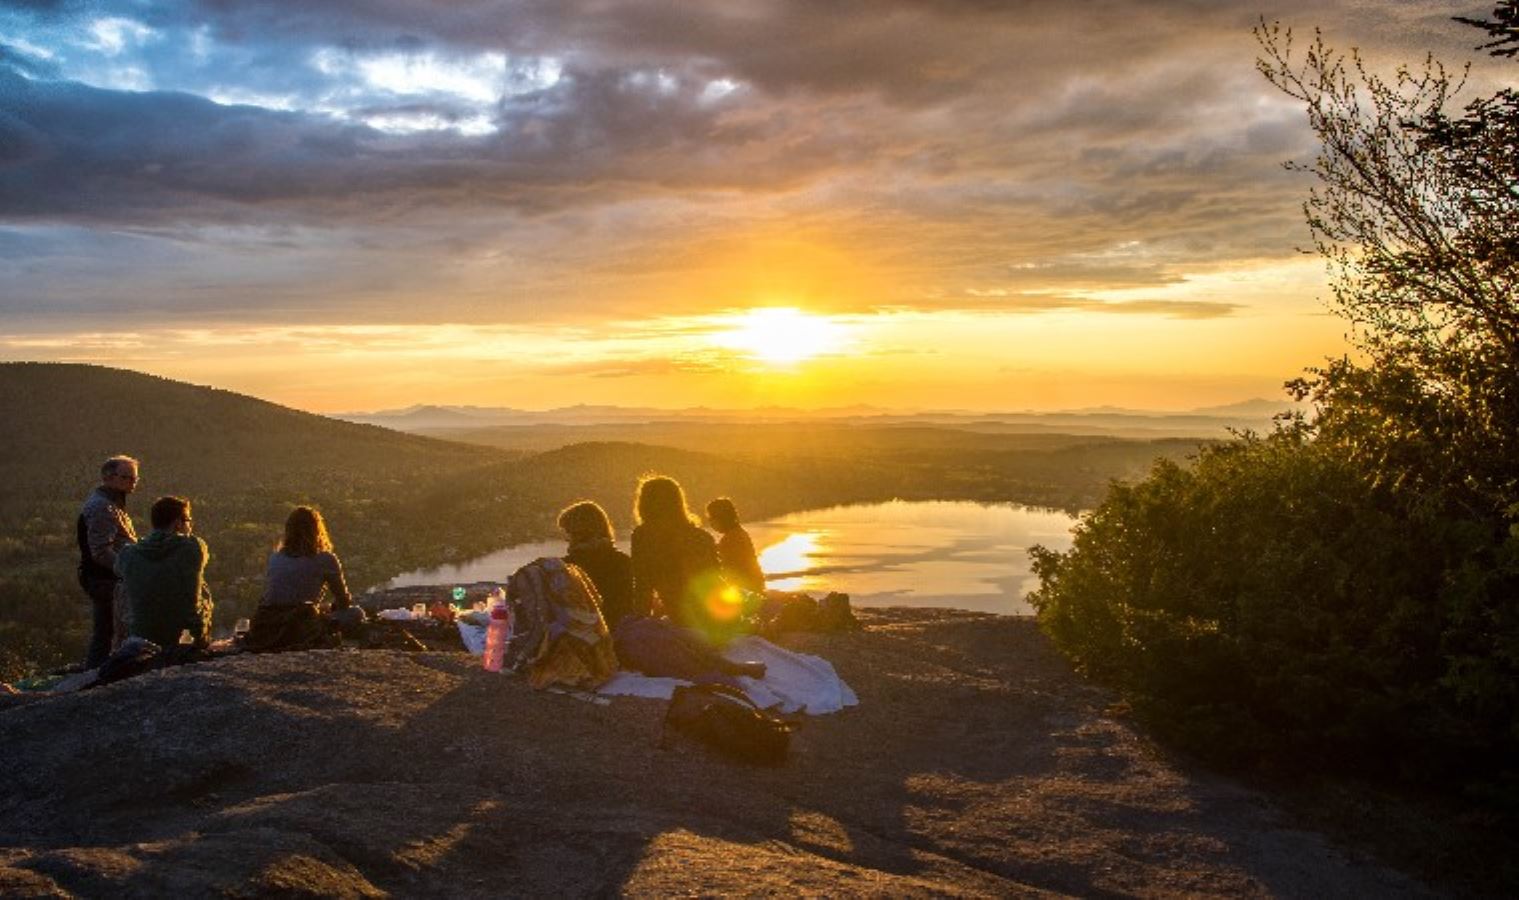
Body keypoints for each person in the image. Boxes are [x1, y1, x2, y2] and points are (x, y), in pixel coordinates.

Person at [247, 506, 356, 651]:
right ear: (317, 530)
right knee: (355, 613)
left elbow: (279, 596)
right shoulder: (325, 559)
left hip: (265, 624)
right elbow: (343, 602)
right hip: (298, 624)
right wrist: (329, 608)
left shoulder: (275, 557)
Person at [630, 475, 728, 634]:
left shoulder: (643, 536)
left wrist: (640, 625)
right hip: (715, 617)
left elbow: (643, 586)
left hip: (682, 619)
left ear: (644, 504)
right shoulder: (702, 536)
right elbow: (718, 581)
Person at [115, 496, 212, 650]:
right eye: (188, 520)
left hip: (141, 635)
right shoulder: (193, 547)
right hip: (183, 636)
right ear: (178, 523)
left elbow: (119, 570)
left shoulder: (128, 554)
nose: (190, 525)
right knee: (202, 588)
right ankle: (199, 642)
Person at [77, 455, 140, 668]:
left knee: (109, 630)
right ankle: (97, 676)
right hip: (105, 579)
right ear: (107, 478)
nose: (132, 482)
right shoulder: (101, 507)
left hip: (108, 577)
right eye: (126, 477)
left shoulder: (113, 503)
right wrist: (129, 571)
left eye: (135, 478)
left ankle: (98, 673)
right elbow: (101, 551)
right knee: (108, 631)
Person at [558, 500, 639, 629]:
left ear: (579, 533)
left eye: (569, 533)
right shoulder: (623, 562)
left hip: (584, 637)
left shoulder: (566, 567)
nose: (567, 539)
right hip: (621, 632)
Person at [705, 497, 766, 595]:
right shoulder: (740, 533)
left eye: (711, 518)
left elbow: (728, 569)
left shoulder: (729, 539)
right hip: (753, 587)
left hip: (744, 591)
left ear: (721, 518)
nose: (710, 522)